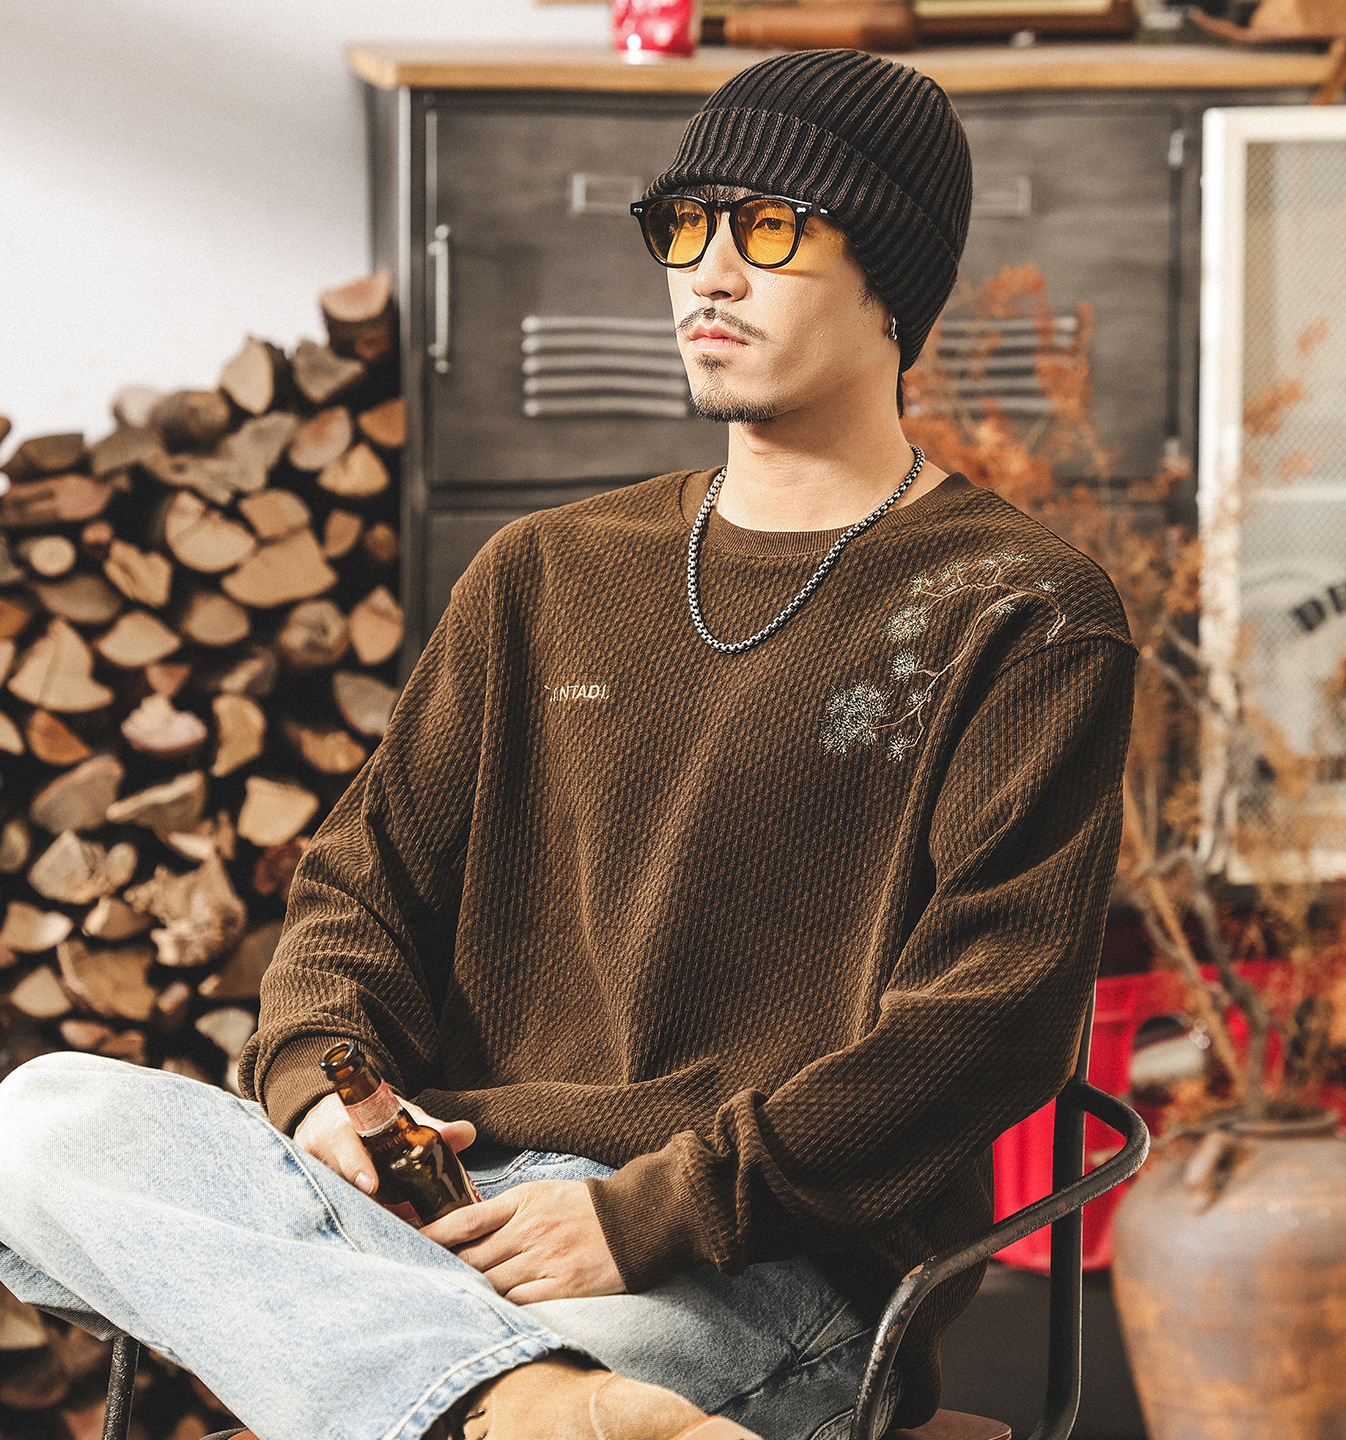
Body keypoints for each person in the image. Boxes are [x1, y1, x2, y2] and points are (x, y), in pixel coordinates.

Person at [0, 47, 1135, 1440]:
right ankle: (524, 1400)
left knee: (386, 1349)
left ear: (892, 276)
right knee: (40, 1119)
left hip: (755, 1262)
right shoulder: (548, 569)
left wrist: (641, 1216)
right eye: (686, 227)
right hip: (446, 1216)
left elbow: (989, 1024)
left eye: (770, 229)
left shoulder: (1021, 613)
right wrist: (321, 1089)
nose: (710, 274)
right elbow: (361, 886)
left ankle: (471, 1383)